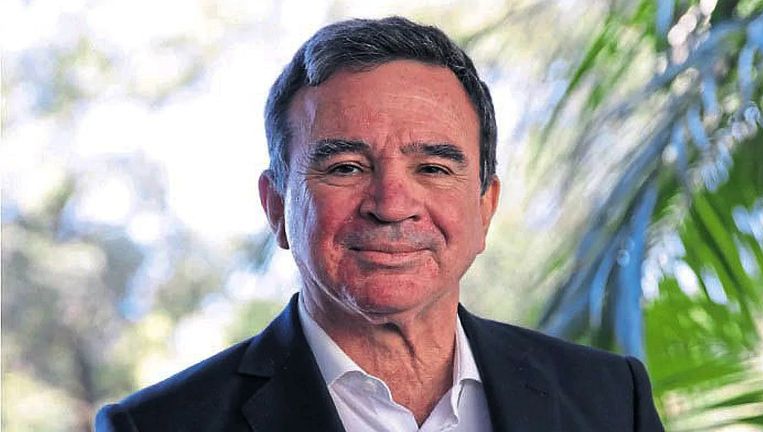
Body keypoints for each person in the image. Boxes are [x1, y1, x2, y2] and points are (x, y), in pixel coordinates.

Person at [95, 16, 664, 431]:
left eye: (433, 168)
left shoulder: (612, 401)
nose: (391, 204)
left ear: (485, 208)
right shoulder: (156, 426)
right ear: (276, 208)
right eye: (346, 167)